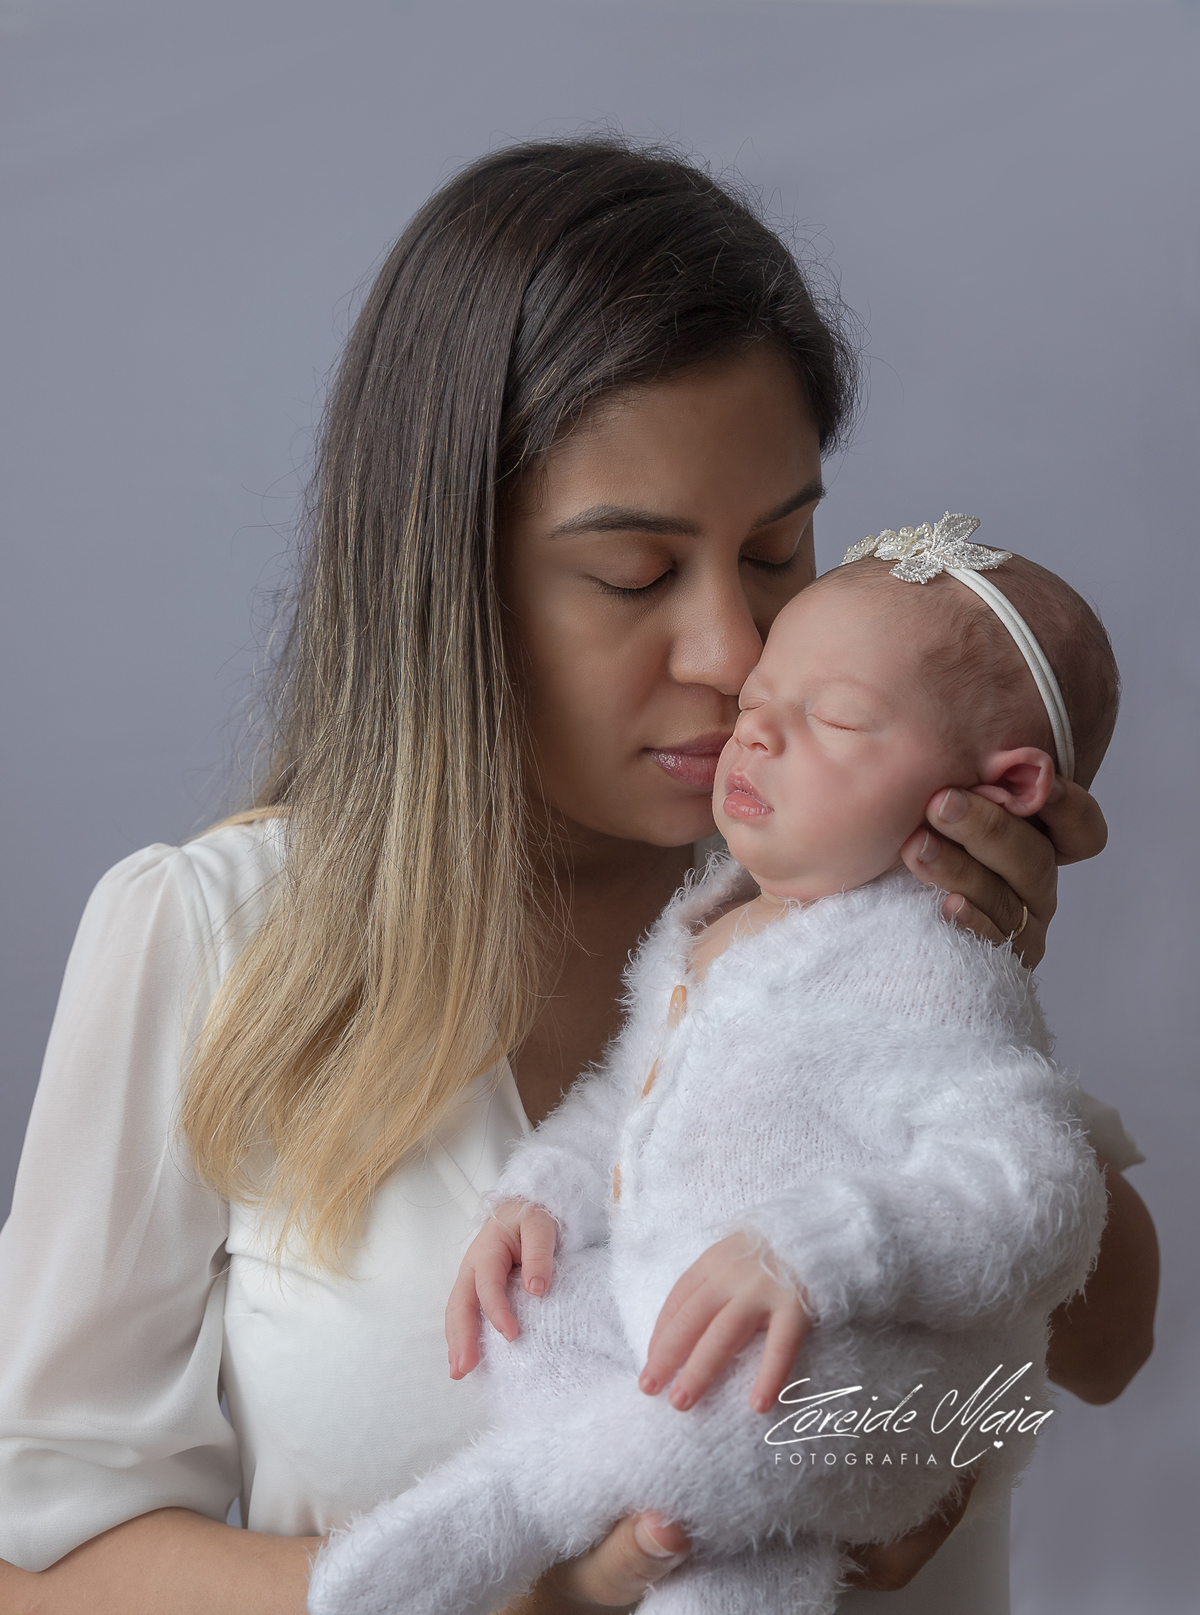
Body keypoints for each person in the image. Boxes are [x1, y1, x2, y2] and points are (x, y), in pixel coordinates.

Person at [0, 140, 1156, 1615]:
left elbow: (1107, 1348)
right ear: (446, 574)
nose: (734, 653)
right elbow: (38, 1567)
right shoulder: (211, 939)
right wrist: (530, 1594)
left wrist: (980, 993)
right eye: (633, 575)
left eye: (780, 553)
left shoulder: (852, 890)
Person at [306, 534, 1116, 1615]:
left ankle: (519, 1500)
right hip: (685, 1339)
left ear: (994, 790)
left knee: (757, 1401)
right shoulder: (714, 918)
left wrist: (817, 1249)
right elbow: (629, 1103)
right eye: (762, 699)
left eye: (833, 719)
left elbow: (1041, 1187)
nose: (753, 724)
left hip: (850, 1367)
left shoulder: (933, 962)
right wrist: (542, 1193)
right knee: (532, 1313)